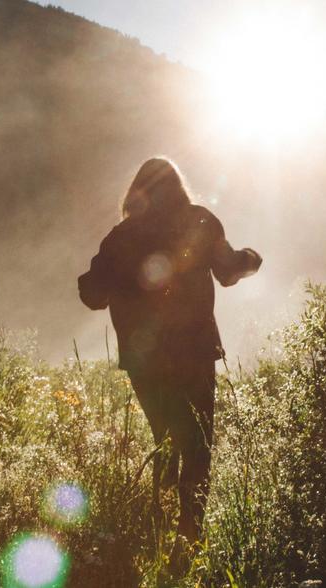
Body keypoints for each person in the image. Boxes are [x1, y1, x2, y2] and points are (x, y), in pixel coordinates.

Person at [78, 157, 261, 548]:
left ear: (136, 192)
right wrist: (251, 260)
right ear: (178, 187)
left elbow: (92, 294)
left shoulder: (120, 236)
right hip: (194, 350)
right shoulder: (199, 221)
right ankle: (190, 537)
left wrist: (113, 278)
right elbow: (228, 272)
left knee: (164, 436)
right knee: (197, 444)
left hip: (144, 359)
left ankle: (160, 534)